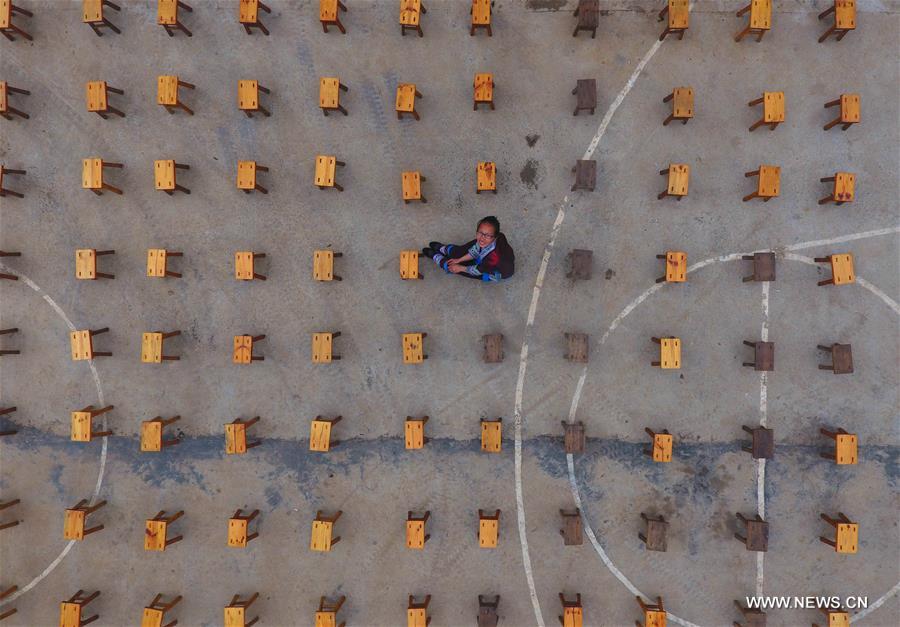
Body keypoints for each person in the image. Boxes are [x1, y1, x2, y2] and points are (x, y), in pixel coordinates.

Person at [422, 216, 515, 283]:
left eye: (487, 235)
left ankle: (439, 259)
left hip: (494, 270)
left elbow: (477, 270)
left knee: (455, 268)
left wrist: (460, 268)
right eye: (480, 233)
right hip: (486, 259)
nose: (482, 238)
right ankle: (446, 250)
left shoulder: (494, 259)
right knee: (458, 253)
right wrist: (459, 259)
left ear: (495, 237)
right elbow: (475, 250)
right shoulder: (497, 236)